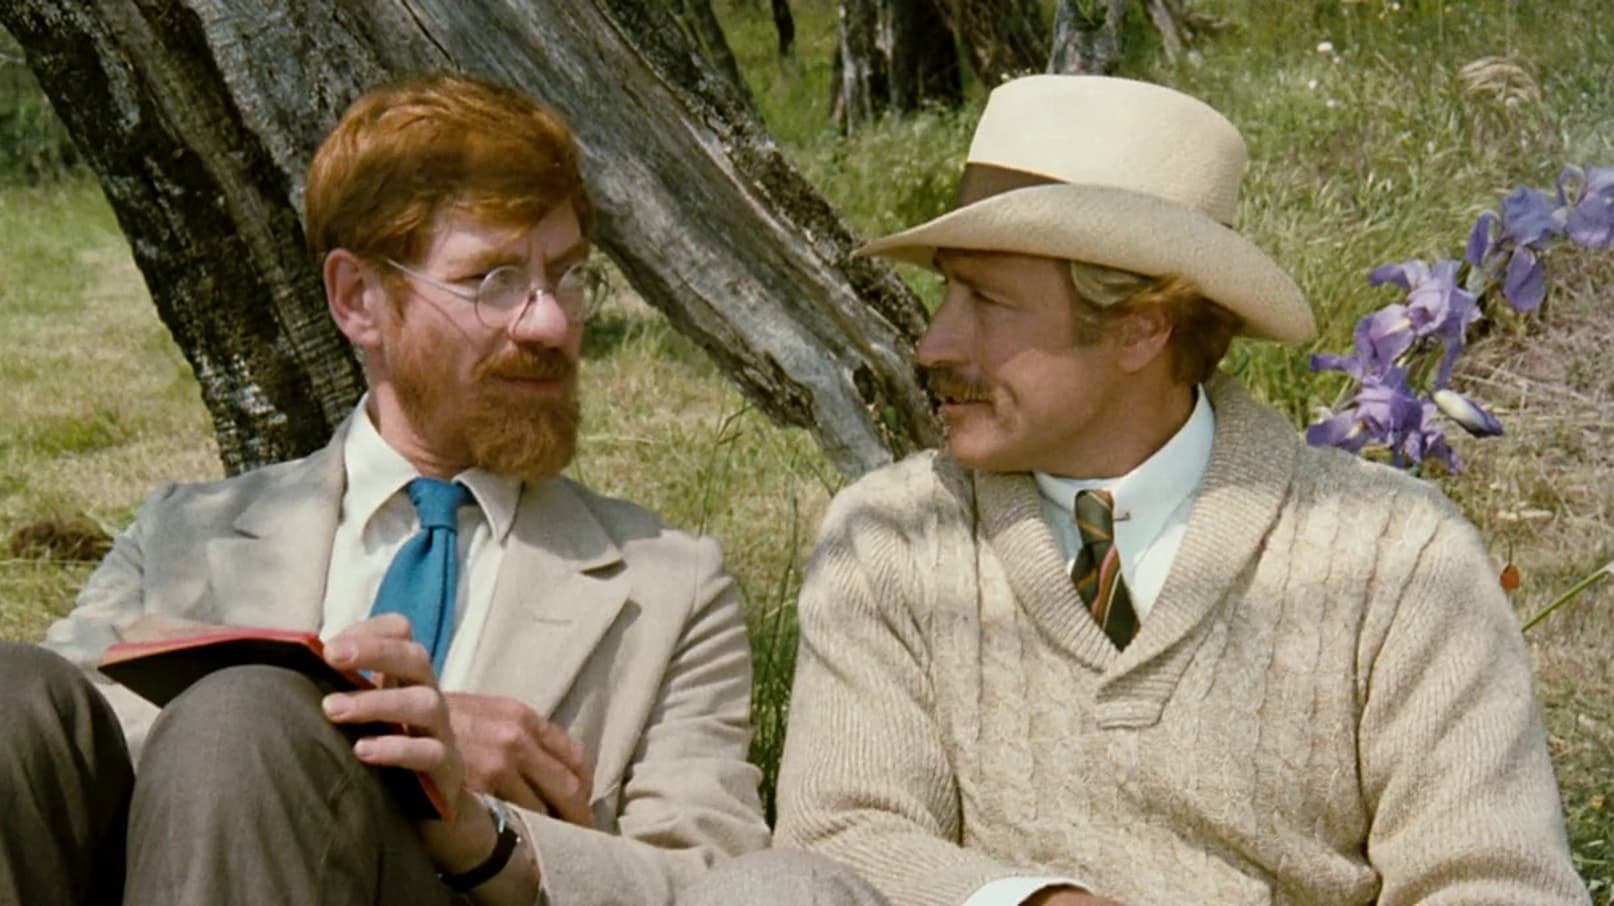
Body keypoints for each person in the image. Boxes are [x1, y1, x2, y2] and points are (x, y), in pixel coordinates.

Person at [0, 72, 882, 906]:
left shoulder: (670, 586)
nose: (550, 322)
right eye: (494, 282)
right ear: (358, 299)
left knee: (247, 714)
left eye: (568, 275)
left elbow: (713, 879)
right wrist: (355, 736)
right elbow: (59, 751)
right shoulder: (183, 533)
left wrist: (482, 829)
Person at [773, 74, 1590, 905]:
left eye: (985, 300)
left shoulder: (1398, 558)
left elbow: (1497, 885)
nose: (933, 344)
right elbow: (837, 843)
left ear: (1140, 328)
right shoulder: (893, 538)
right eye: (946, 290)